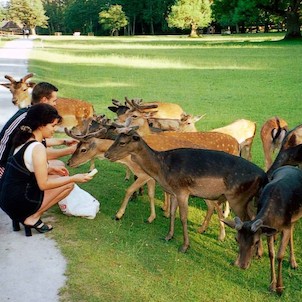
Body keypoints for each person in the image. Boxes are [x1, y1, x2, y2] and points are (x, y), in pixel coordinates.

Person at [0, 103, 93, 236]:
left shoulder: (25, 138)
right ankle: (31, 218)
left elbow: (26, 167)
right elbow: (43, 185)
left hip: (7, 199)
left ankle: (24, 216)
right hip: (17, 201)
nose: (54, 129)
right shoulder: (37, 148)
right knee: (68, 184)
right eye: (53, 125)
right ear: (41, 124)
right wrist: (74, 178)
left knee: (59, 176)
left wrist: (51, 169)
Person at [0, 82, 77, 179]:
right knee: (61, 178)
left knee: (58, 165)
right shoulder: (27, 119)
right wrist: (70, 150)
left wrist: (64, 141)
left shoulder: (32, 114)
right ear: (44, 100)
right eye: (54, 101)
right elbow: (38, 151)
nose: (55, 104)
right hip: (5, 166)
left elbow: (39, 143)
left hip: (14, 161)